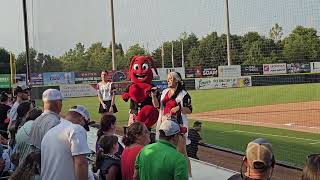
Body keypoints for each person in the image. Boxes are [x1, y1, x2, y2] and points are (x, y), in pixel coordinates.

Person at [156, 71, 193, 177]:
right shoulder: (164, 92)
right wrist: (154, 97)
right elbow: (158, 106)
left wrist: (179, 108)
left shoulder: (183, 94)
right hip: (164, 124)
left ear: (177, 80)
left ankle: (188, 175)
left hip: (178, 126)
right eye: (168, 78)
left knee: (181, 153)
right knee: (166, 151)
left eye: (171, 78)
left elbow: (189, 110)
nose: (168, 80)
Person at [41, 105, 91, 180]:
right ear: (81, 119)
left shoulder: (50, 131)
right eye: (84, 125)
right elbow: (81, 163)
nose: (83, 128)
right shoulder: (76, 129)